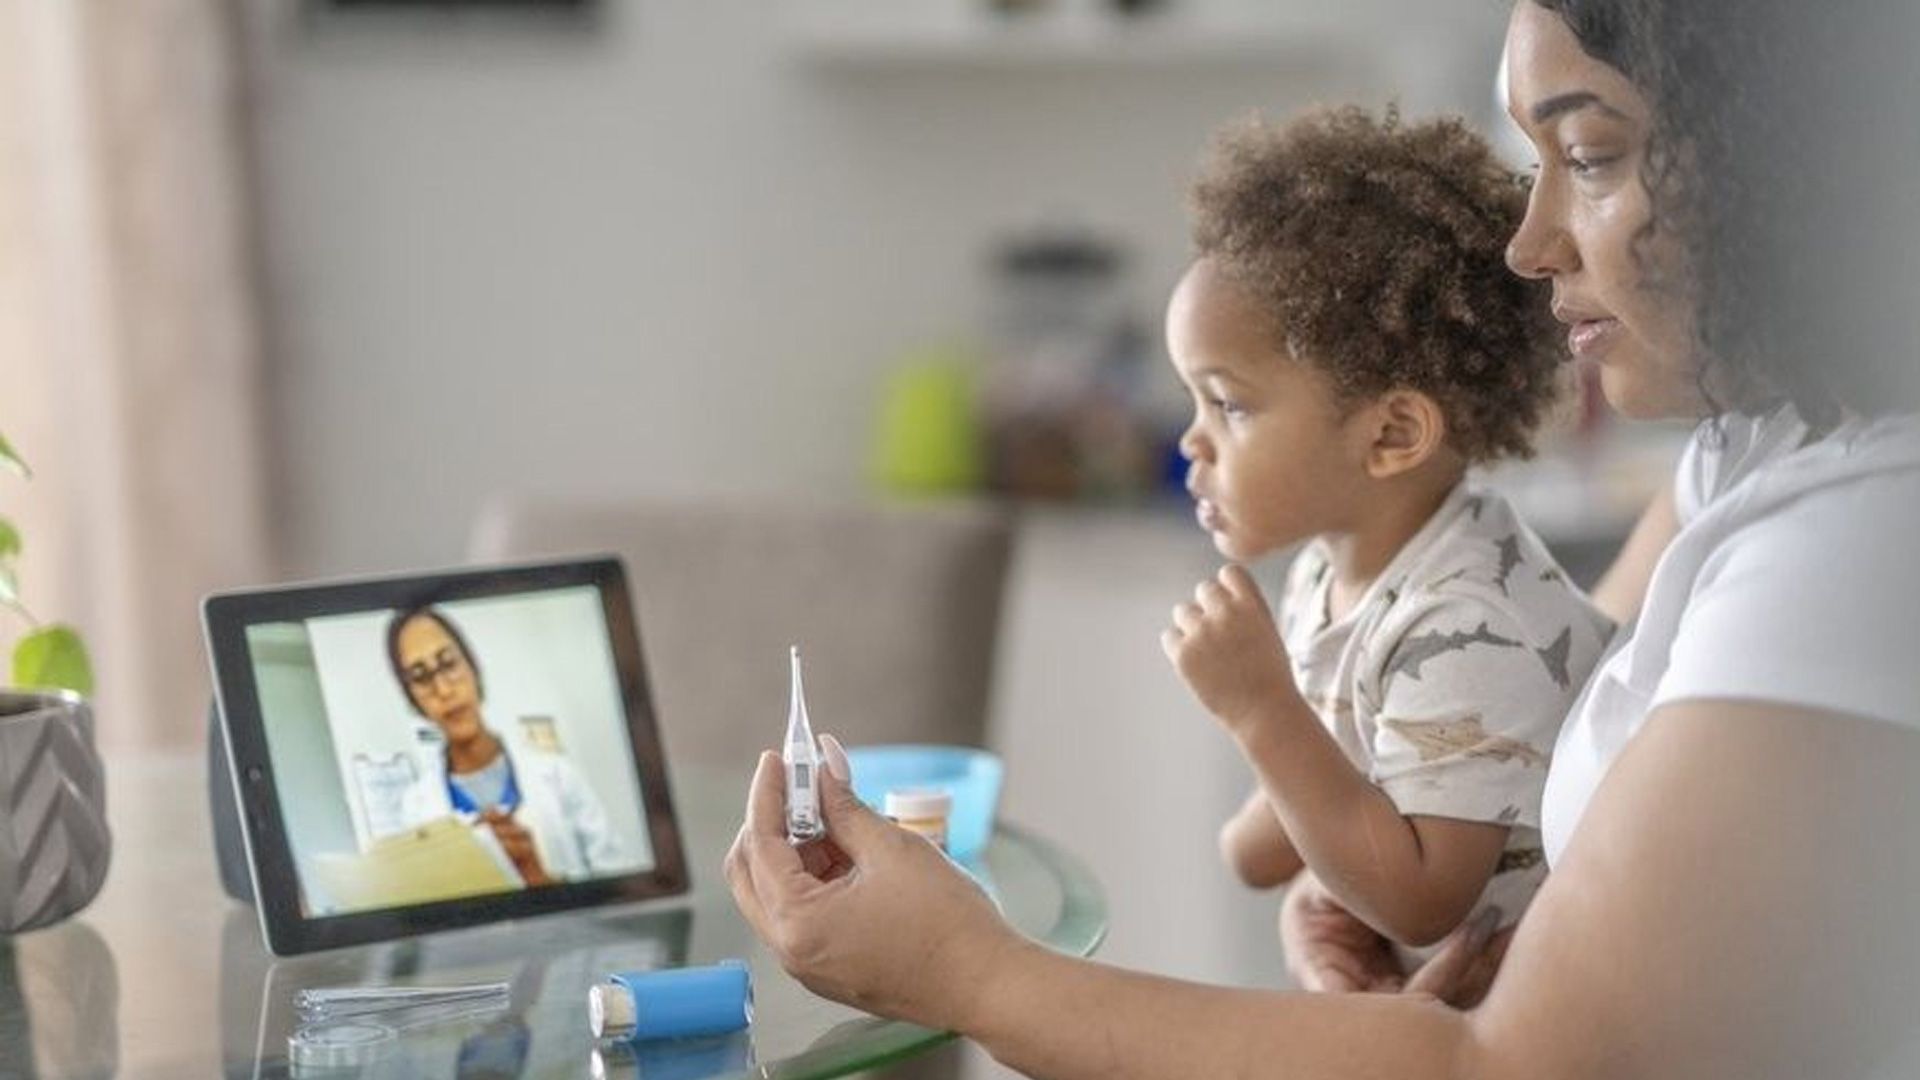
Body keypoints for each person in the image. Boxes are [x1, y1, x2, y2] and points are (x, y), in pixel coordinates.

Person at [725, 1, 1920, 1075]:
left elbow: (1495, 1064)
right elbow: (1589, 688)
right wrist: (1342, 857)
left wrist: (964, 970)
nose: (1531, 239)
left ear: (1784, 160)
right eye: (1535, 158)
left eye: (1592, 155)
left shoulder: (1852, 548)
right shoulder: (1760, 446)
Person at [1162, 107, 1612, 964]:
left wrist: (1260, 710)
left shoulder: (1467, 622)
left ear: (1392, 435)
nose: (1192, 441)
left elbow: (1419, 903)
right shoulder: (1330, 571)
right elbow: (1260, 851)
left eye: (1229, 403)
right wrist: (1263, 719)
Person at [387, 606, 626, 885]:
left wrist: (539, 880)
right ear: (413, 700)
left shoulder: (558, 776)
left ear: (473, 668)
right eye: (420, 677)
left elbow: (621, 894)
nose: (444, 690)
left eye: (449, 663)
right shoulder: (416, 810)